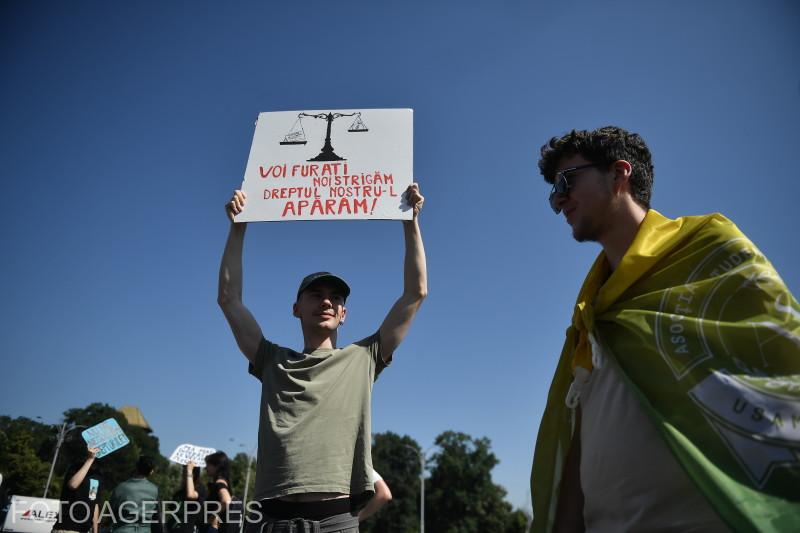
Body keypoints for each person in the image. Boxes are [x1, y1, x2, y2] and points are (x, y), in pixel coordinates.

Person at [529, 126, 800, 532]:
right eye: (553, 190)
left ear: (619, 174)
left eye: (567, 181)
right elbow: (582, 433)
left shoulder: (708, 247)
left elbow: (783, 360)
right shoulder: (591, 310)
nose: (558, 199)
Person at [218, 183, 427, 533]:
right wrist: (239, 227)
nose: (326, 301)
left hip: (336, 521)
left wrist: (410, 222)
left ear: (343, 314)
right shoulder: (271, 359)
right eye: (315, 294)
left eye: (335, 298)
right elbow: (229, 298)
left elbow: (415, 292)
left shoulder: (364, 357)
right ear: (296, 308)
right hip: (271, 521)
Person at [52, 446, 101, 533]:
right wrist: (90, 459)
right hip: (68, 527)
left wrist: (95, 529)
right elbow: (73, 485)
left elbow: (93, 501)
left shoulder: (97, 474)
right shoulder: (75, 468)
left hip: (84, 529)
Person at [109, 456, 162, 533]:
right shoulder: (155, 490)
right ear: (151, 472)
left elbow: (110, 512)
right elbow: (158, 515)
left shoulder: (121, 487)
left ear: (136, 467)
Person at [166, 461, 206, 533]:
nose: (183, 474)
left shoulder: (200, 488)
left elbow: (190, 495)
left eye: (186, 471)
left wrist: (189, 471)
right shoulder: (179, 493)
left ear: (194, 474)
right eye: (184, 471)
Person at [202, 453, 232, 533]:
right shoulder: (223, 482)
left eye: (208, 465)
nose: (205, 468)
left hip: (212, 529)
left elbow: (226, 501)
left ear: (217, 466)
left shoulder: (220, 483)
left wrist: (212, 516)